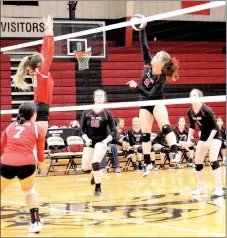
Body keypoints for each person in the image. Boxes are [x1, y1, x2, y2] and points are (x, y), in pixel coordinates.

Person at [127, 27, 181, 177]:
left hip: (156, 102)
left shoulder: (161, 78)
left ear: (162, 64)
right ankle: (147, 164)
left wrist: (136, 87)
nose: (154, 57)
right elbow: (144, 45)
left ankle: (175, 154)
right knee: (145, 135)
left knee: (165, 127)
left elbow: (151, 94)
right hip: (145, 103)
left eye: (157, 56)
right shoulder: (147, 64)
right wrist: (142, 28)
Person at [0, 102, 46, 233]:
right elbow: (41, 155)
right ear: (33, 114)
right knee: (29, 191)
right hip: (27, 164)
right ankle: (35, 222)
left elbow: (1, 148)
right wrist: (43, 168)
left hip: (7, 163)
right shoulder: (38, 128)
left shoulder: (10, 126)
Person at [13, 15, 54, 135]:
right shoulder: (41, 71)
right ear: (40, 63)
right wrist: (49, 30)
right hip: (41, 107)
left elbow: (45, 51)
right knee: (38, 142)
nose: (45, 58)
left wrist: (47, 29)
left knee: (37, 141)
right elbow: (49, 51)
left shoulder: (37, 70)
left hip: (38, 106)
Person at [186, 89, 224, 196]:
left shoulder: (206, 110)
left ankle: (219, 188)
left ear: (200, 97)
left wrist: (209, 141)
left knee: (212, 159)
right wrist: (189, 139)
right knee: (198, 161)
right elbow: (192, 126)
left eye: (195, 95)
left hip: (215, 135)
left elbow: (215, 127)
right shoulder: (190, 111)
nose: (192, 96)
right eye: (191, 95)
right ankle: (201, 187)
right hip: (203, 137)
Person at [80, 89, 116, 196]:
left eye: (101, 95)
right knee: (86, 168)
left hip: (102, 141)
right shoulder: (87, 112)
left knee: (95, 162)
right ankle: (95, 174)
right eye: (97, 95)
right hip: (89, 141)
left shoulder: (107, 113)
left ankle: (98, 188)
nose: (99, 97)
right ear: (94, 98)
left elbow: (114, 130)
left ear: (104, 99)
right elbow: (81, 129)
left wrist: (107, 140)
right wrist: (85, 138)